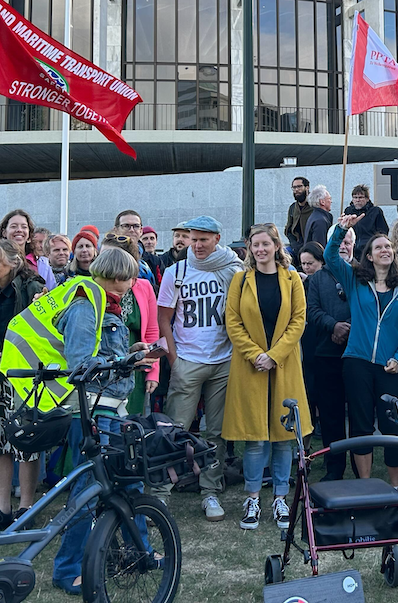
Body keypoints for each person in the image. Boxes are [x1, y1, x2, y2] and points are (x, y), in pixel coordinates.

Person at [0, 246, 155, 595]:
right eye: (131, 278)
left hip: (109, 407)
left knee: (130, 484)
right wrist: (123, 363)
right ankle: (68, 569)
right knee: (87, 493)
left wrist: (130, 355)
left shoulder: (98, 299)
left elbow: (99, 353)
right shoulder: (87, 301)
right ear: (120, 277)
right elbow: (82, 361)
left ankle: (138, 552)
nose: (133, 285)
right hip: (92, 410)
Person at [223, 224, 311, 531]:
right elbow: (232, 321)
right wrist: (255, 354)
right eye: (254, 244)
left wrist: (274, 355)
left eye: (265, 243)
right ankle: (252, 498)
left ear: (276, 246)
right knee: (256, 438)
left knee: (284, 438)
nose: (260, 249)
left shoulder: (292, 280)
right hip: (251, 367)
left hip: (284, 366)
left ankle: (280, 497)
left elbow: (299, 320)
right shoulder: (240, 280)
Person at [156, 214, 243, 522]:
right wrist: (174, 359)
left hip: (223, 361)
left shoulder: (233, 270)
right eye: (193, 239)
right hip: (188, 360)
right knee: (175, 431)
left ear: (217, 239)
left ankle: (210, 491)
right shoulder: (176, 271)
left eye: (203, 239)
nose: (197, 245)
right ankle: (161, 494)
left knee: (216, 432)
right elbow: (163, 317)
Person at [328, 216, 398, 489]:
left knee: (392, 428)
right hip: (357, 362)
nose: (385, 251)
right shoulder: (355, 279)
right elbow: (330, 256)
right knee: (361, 424)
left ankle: (394, 488)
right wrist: (342, 228)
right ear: (368, 255)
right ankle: (365, 486)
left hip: (390, 366)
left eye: (388, 247)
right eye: (378, 247)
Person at [0, 240, 48, 531]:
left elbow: (39, 333)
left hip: (22, 379)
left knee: (26, 442)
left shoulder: (31, 287)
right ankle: (2, 509)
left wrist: (10, 353)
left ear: (14, 263)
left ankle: (26, 508)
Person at [304, 227, 356, 480]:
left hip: (358, 354)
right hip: (326, 354)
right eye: (340, 241)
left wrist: (348, 326)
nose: (344, 245)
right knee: (331, 415)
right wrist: (332, 325)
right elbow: (311, 310)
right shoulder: (317, 279)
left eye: (349, 241)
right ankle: (335, 469)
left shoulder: (362, 274)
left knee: (359, 416)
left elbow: (370, 307)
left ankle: (361, 469)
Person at [100, 232, 161, 415]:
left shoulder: (144, 286)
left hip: (136, 366)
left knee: (131, 425)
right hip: (104, 369)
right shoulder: (92, 287)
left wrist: (153, 371)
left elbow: (151, 330)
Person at [0, 209, 57, 289]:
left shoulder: (42, 264)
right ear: (4, 233)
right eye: (13, 226)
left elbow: (51, 294)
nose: (19, 230)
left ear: (29, 235)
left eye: (24, 227)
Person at [344, 184, 390, 259]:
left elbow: (383, 232)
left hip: (369, 249)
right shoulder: (348, 211)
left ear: (367, 199)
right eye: (355, 197)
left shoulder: (375, 211)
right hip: (352, 249)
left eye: (360, 197)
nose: (358, 200)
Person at [285, 176, 313, 250]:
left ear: (307, 187)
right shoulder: (293, 208)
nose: (296, 190)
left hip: (312, 246)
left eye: (299, 186)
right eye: (294, 187)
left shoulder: (314, 206)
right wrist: (294, 244)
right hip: (296, 246)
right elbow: (288, 230)